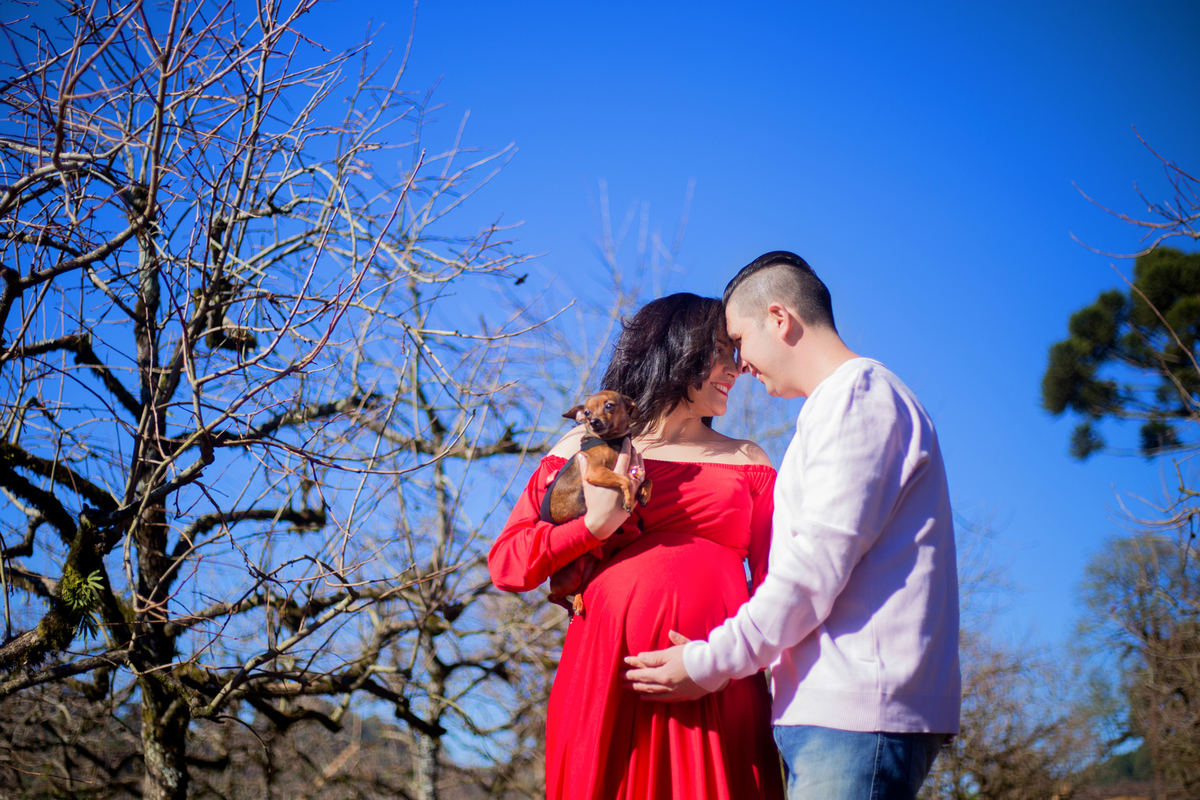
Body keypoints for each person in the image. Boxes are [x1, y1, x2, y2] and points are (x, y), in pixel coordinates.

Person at [625, 252, 961, 800]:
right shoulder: (840, 405)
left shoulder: (859, 397)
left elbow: (813, 568)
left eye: (739, 339)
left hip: (856, 715)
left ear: (779, 319)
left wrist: (708, 662)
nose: (739, 363)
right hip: (839, 717)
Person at [489, 293, 786, 800]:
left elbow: (781, 585)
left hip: (718, 677)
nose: (734, 367)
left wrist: (724, 664)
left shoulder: (747, 459)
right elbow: (508, 565)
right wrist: (592, 528)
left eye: (735, 351)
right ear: (674, 350)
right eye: (719, 350)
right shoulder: (581, 449)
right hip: (606, 676)